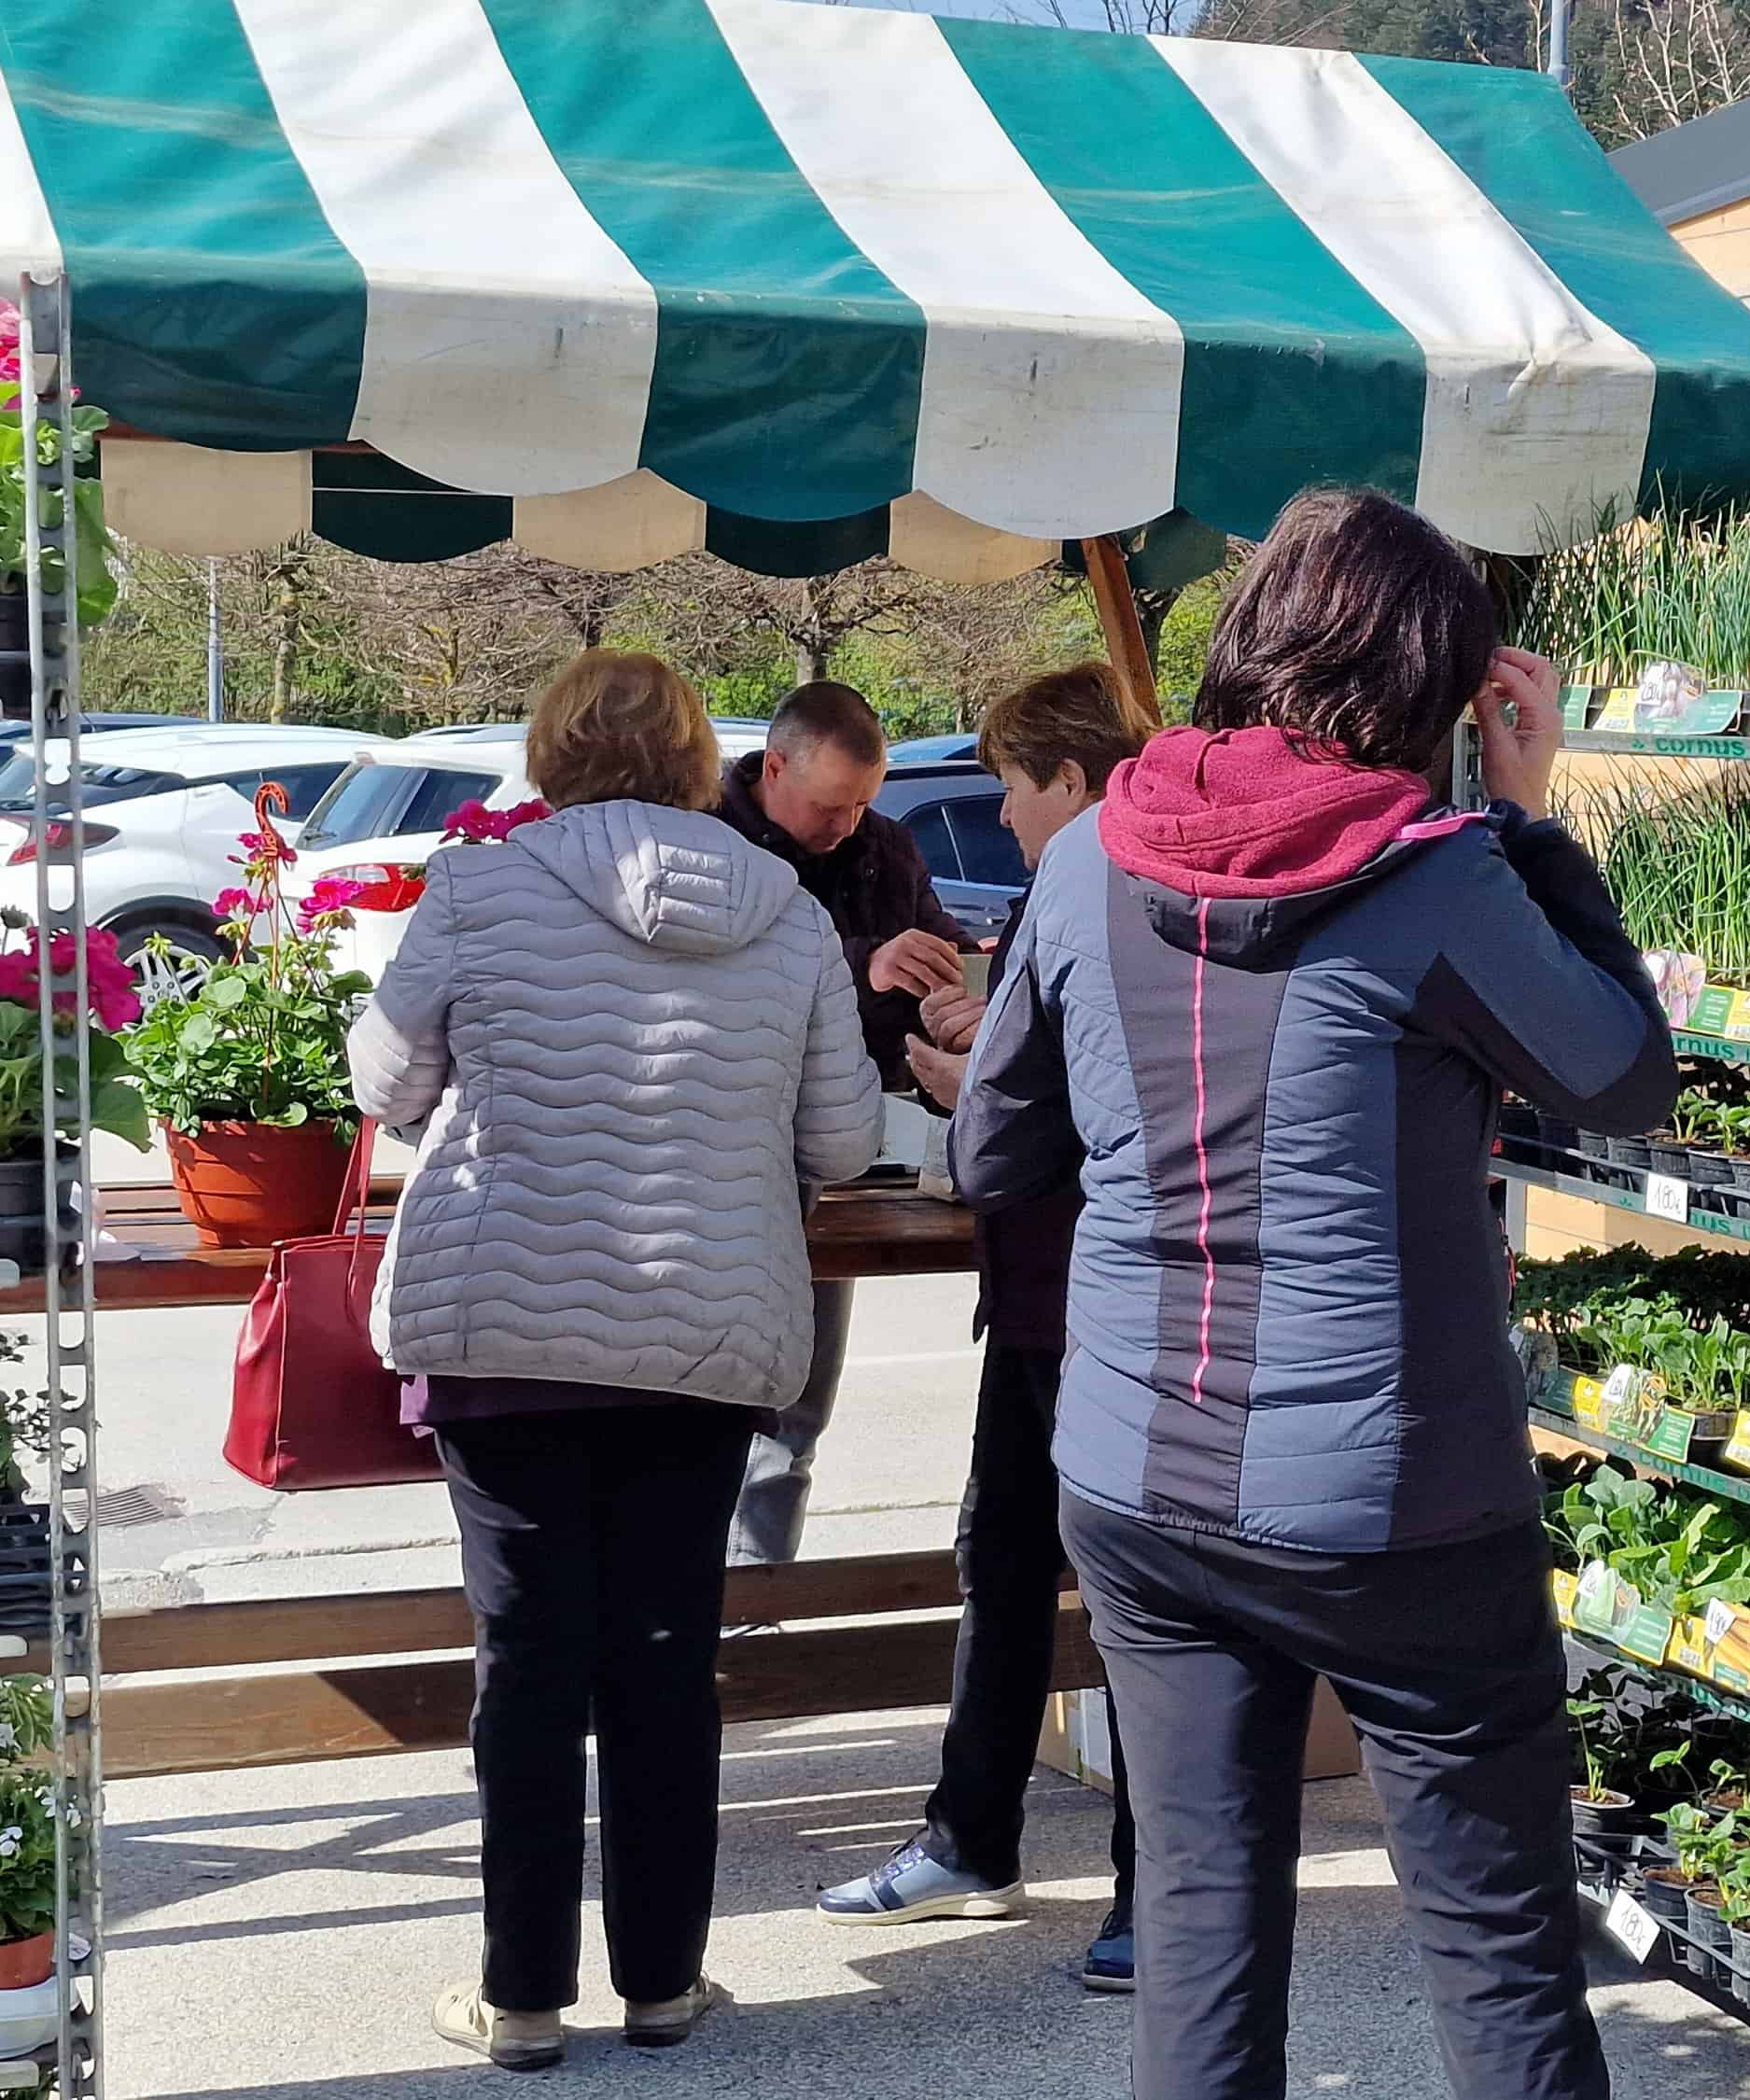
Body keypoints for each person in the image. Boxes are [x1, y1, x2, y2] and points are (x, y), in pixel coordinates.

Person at [951, 489, 1678, 2100]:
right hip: (1394, 1501)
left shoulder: (1088, 860)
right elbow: (1623, 1077)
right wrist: (1530, 817)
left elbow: (991, 1149)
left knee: (1198, 1927)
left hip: (1138, 1475)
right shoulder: (1442, 877)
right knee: (1496, 1944)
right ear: (1432, 683)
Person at [351, 651, 883, 2070]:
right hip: (704, 1332)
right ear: (705, 761)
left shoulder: (477, 888)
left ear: (550, 752)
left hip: (505, 1331)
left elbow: (388, 1083)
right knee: (663, 1656)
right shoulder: (788, 910)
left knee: (527, 1661)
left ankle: (521, 1998)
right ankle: (662, 1983)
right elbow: (843, 1140)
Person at [816, 663, 1155, 1993]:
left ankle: (1153, 1891)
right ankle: (970, 1838)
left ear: (1070, 779)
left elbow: (1094, 1107)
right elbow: (1055, 1056)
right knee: (1000, 1559)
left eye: (1013, 786)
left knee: (1131, 1602)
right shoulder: (1067, 890)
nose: (1001, 814)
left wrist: (976, 1088)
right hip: (1029, 1300)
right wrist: (990, 1027)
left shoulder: (1141, 886)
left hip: (1105, 1300)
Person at [715, 680, 963, 1564]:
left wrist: (945, 990)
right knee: (705, 1412)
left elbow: (931, 949)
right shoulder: (705, 836)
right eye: (831, 805)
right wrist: (865, 963)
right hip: (725, 1159)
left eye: (863, 803)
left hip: (848, 1152)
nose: (847, 825)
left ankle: (757, 1597)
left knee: (796, 1412)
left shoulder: (884, 846)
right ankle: (701, 1605)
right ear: (774, 768)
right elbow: (728, 979)